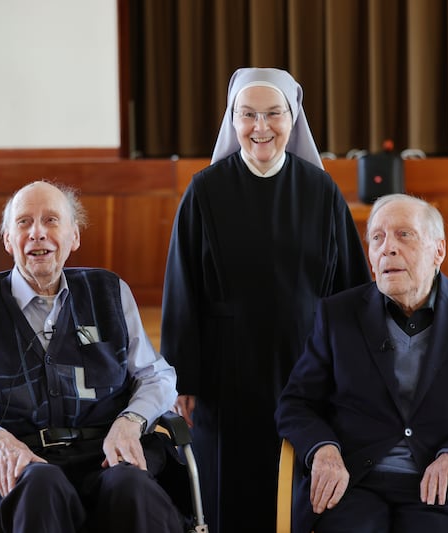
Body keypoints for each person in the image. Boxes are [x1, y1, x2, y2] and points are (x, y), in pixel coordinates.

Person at [160, 67, 372, 531]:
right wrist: (182, 379)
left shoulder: (321, 191)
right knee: (229, 491)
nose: (260, 127)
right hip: (225, 371)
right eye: (247, 114)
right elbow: (182, 291)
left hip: (308, 361)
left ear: (292, 118)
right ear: (232, 121)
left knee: (302, 487)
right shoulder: (204, 190)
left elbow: (352, 289)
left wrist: (356, 368)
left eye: (273, 114)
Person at [0, 180, 186, 533]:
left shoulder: (108, 292)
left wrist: (131, 422)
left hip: (106, 453)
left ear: (73, 237)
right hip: (23, 462)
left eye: (51, 221)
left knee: (132, 487)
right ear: (7, 240)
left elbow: (156, 375)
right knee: (41, 487)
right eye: (24, 223)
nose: (37, 233)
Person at [275, 193, 448, 533]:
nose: (388, 248)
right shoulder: (337, 314)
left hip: (442, 487)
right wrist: (323, 450)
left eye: (404, 235)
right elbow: (296, 402)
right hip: (353, 481)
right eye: (377, 238)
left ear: (438, 251)